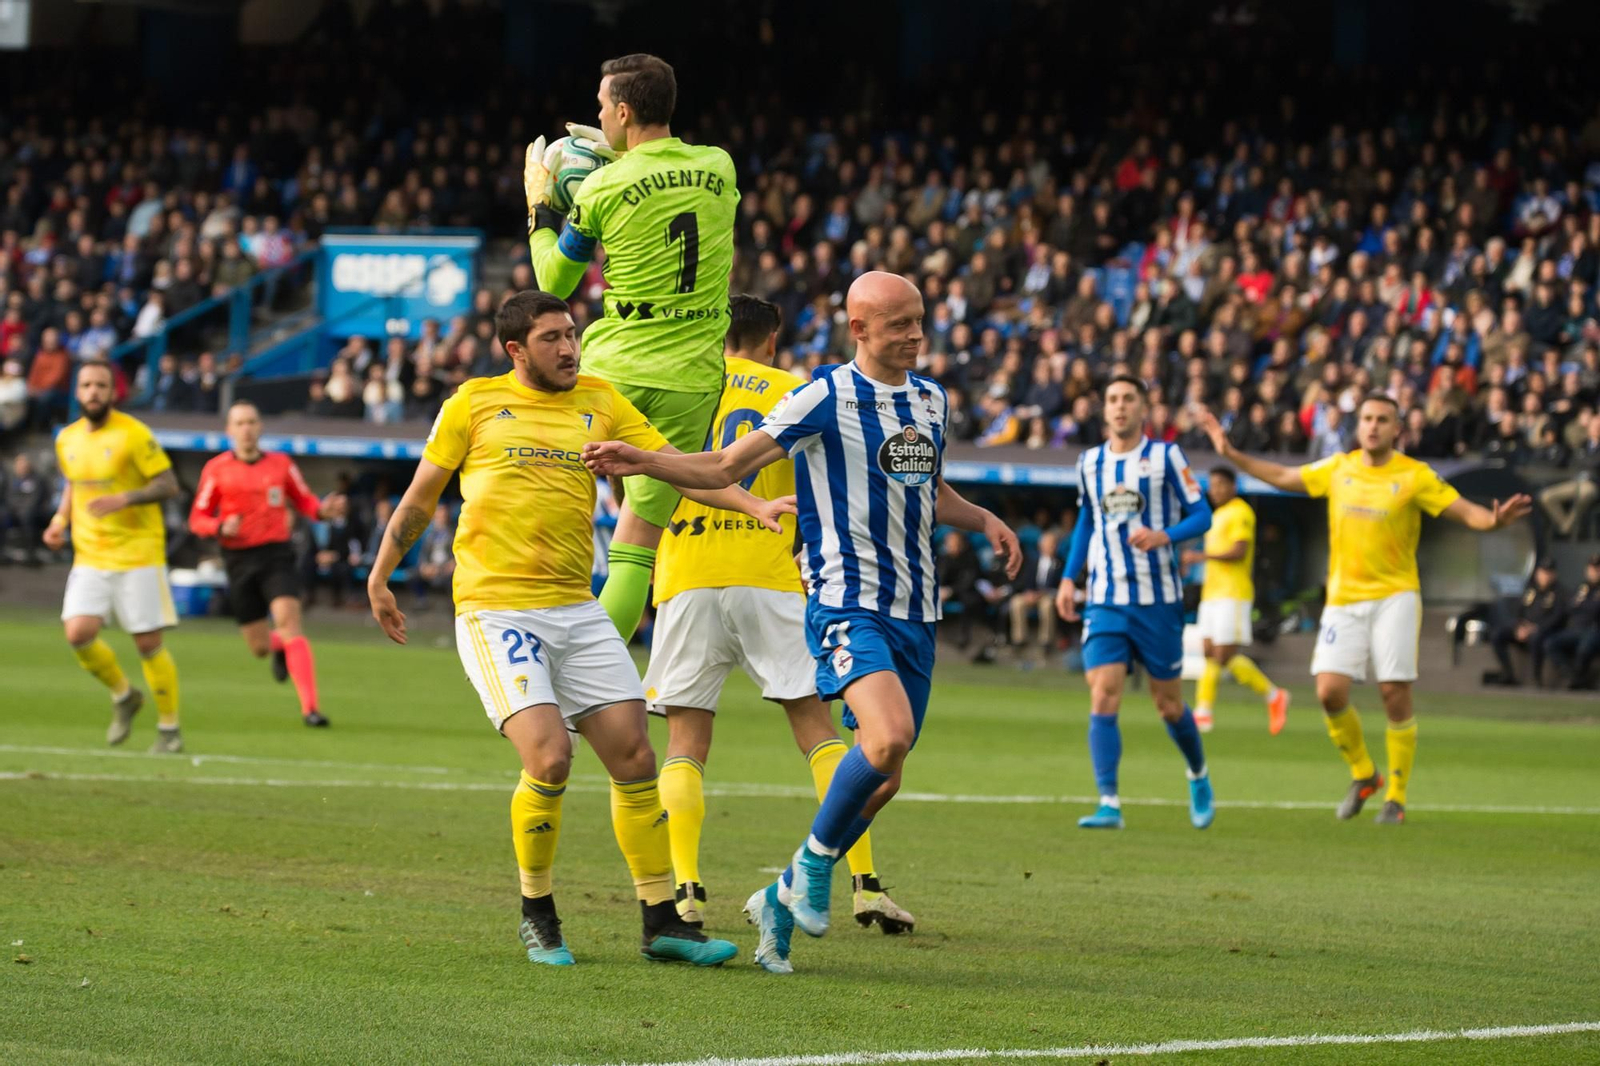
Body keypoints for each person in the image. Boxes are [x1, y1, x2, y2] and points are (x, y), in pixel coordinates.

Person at [584, 272, 1021, 974]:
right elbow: (729, 461)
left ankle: (782, 895)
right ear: (860, 330)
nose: (914, 335)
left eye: (919, 321)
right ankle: (817, 870)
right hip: (847, 598)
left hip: (918, 608)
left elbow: (928, 486)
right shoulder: (821, 394)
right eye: (898, 324)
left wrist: (984, 517)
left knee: (887, 773)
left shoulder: (931, 400)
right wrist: (643, 459)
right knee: (887, 737)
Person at [365, 290, 789, 968]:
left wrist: (753, 503)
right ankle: (538, 912)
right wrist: (381, 574)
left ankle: (662, 924)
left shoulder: (600, 399)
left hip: (575, 608)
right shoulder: (471, 405)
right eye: (552, 339)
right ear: (515, 349)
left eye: (571, 335)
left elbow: (677, 469)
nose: (568, 349)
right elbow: (421, 497)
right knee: (550, 758)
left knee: (636, 757)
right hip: (496, 608)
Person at [643, 293, 914, 935]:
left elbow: (670, 475)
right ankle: (864, 882)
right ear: (772, 339)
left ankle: (686, 890)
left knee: (686, 742)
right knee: (820, 733)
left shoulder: (687, 389)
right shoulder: (800, 390)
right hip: (771, 574)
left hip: (687, 572)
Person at [1198, 395, 1532, 825]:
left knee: (1393, 693)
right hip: (1343, 599)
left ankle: (1396, 796)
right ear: (1359, 427)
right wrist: (1231, 454)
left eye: (1383, 420)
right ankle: (1364, 774)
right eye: (1367, 419)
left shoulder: (1415, 476)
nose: (1373, 426)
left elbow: (1467, 512)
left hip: (1395, 596)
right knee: (1328, 692)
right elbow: (1283, 475)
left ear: (1398, 430)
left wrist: (1495, 521)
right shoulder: (1339, 468)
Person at [526, 53, 740, 643]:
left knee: (551, 484)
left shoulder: (598, 188)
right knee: (636, 540)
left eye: (601, 107)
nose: (597, 115)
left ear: (622, 111)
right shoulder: (720, 167)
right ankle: (594, 682)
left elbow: (553, 285)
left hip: (614, 365)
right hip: (690, 374)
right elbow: (662, 181)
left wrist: (542, 212)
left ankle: (524, 621)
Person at [1054, 376, 1216, 832]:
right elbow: (1088, 519)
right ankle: (1109, 803)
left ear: (1144, 408)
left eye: (1128, 399)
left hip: (1158, 599)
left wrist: (1166, 535)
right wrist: (1070, 577)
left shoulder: (1166, 457)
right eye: (1112, 400)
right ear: (1103, 409)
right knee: (1103, 693)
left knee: (1169, 705)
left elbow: (1202, 514)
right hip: (1106, 598)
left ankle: (1198, 774)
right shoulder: (1090, 463)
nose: (1119, 407)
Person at [45, 362, 183, 753]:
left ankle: (169, 729)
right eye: (86, 385)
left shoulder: (134, 434)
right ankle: (124, 695)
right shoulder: (66, 439)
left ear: (112, 392)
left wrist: (126, 497)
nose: (93, 391)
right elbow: (74, 485)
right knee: (78, 633)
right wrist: (59, 520)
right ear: (77, 391)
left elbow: (169, 484)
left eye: (100, 385)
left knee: (147, 642)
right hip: (90, 554)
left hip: (138, 551)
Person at [188, 400, 335, 727]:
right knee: (258, 646)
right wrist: (218, 527)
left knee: (288, 620)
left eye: (251, 422)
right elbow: (197, 518)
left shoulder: (281, 465)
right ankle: (279, 647)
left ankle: (310, 709)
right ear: (229, 430)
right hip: (237, 559)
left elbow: (304, 499)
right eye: (239, 423)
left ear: (260, 427)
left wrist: (322, 511)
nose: (246, 429)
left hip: (275, 554)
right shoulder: (216, 470)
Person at [1181, 466, 1290, 734]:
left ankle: (1271, 696)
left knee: (1224, 654)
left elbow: (1239, 551)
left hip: (1233, 593)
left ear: (1232, 486)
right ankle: (1205, 712)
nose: (1215, 490)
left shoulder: (1241, 511)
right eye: (1212, 485)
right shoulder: (1216, 515)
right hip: (1212, 593)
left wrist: (1201, 557)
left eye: (1220, 484)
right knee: (1209, 651)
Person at [1487, 559, 1566, 687]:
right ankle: (1508, 674)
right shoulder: (1530, 590)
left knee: (1537, 638)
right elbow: (1519, 611)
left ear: (1553, 574)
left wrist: (1535, 628)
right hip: (1523, 628)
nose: (1545, 576)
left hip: (1541, 631)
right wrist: (1518, 627)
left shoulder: (1559, 593)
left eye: (1548, 573)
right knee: (1497, 634)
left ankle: (1536, 678)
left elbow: (1557, 617)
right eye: (1542, 572)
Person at [1540, 555, 1600, 690]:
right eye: (1592, 568)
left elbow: (1593, 610)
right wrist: (1586, 605)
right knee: (1550, 643)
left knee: (1585, 647)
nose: (1595, 572)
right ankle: (1573, 677)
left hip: (1594, 630)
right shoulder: (1581, 588)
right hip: (1575, 630)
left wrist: (1583, 605)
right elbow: (1569, 607)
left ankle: (1579, 678)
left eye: (1597, 569)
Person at [1008, 529, 1064, 661]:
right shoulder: (1032, 561)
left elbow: (1060, 586)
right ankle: (1019, 639)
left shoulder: (1061, 563)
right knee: (1016, 602)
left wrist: (1042, 593)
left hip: (1048, 595)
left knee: (1047, 605)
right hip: (1031, 594)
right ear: (1041, 546)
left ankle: (1046, 642)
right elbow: (1024, 580)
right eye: (1048, 544)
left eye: (1053, 544)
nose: (1051, 547)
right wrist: (1028, 592)